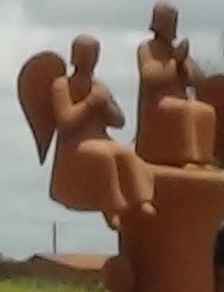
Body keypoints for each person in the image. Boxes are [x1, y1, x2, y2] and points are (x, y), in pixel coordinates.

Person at [47, 36, 155, 221]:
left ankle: (142, 199)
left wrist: (105, 106)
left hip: (102, 139)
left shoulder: (99, 86)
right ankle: (113, 207)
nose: (90, 60)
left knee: (127, 155)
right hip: (76, 144)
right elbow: (65, 121)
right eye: (86, 55)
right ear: (75, 56)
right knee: (105, 157)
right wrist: (90, 102)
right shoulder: (62, 85)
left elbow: (119, 120)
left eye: (93, 55)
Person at [135, 2, 217, 165]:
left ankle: (201, 158)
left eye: (173, 22)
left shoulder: (176, 51)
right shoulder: (147, 49)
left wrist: (182, 63)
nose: (171, 26)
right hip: (157, 105)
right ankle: (186, 156)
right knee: (183, 110)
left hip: (180, 100)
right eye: (167, 22)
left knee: (205, 111)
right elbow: (149, 76)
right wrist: (174, 63)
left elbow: (199, 80)